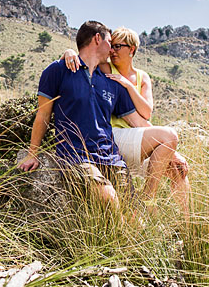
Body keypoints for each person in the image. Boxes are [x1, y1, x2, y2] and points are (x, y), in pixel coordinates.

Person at [18, 21, 149, 211]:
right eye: (110, 42)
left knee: (135, 214)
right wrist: (32, 153)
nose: (112, 49)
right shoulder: (58, 70)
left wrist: (166, 145)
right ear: (97, 39)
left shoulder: (112, 83)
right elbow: (43, 114)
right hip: (76, 157)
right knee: (109, 199)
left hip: (112, 158)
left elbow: (138, 121)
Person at [61, 27, 190, 217]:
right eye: (111, 46)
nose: (112, 51)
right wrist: (68, 52)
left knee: (178, 170)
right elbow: (86, 57)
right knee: (169, 137)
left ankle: (187, 224)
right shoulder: (105, 69)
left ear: (132, 50)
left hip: (139, 138)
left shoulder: (141, 77)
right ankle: (148, 201)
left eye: (118, 46)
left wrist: (128, 85)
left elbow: (145, 113)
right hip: (115, 137)